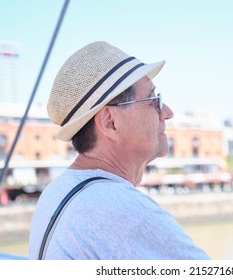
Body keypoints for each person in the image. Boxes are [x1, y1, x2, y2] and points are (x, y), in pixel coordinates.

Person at [28, 41, 210, 260]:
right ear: (110, 122)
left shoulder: (56, 191)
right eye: (154, 100)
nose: (168, 113)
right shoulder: (121, 209)